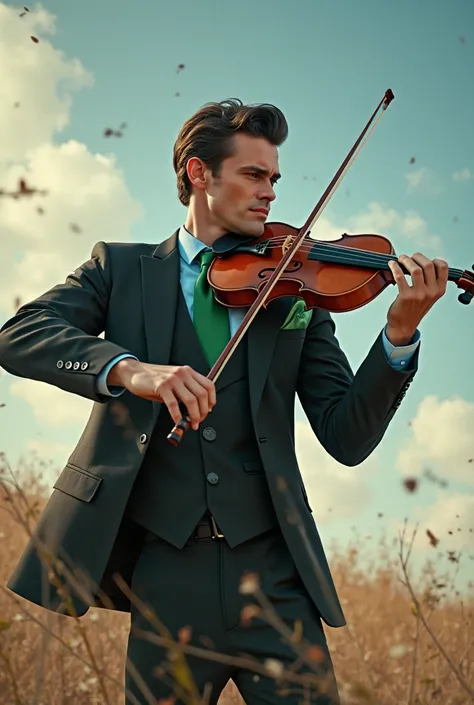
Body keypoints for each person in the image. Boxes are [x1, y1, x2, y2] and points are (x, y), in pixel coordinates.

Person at [0, 99, 448, 704]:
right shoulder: (121, 268)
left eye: (275, 180)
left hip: (275, 581)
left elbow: (347, 436)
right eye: (254, 175)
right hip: (164, 577)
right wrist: (130, 370)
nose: (270, 194)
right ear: (197, 173)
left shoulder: (294, 287)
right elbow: (19, 334)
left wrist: (398, 334)